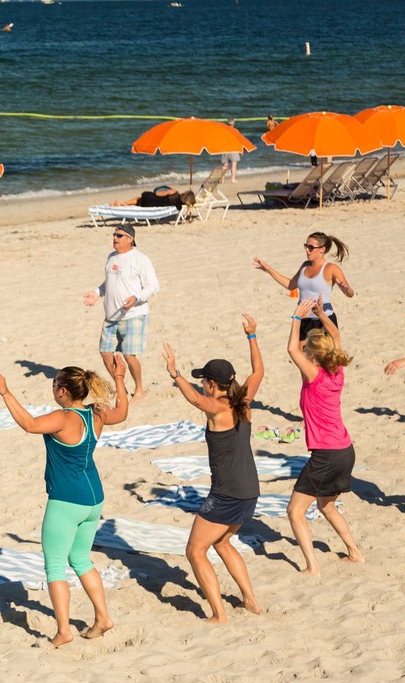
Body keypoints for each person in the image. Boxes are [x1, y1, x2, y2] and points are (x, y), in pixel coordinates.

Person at [0, 360, 129, 646]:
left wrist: (5, 392)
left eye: (54, 385)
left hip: (67, 500)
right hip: (94, 499)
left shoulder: (63, 418)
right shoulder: (96, 413)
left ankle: (64, 630)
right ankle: (103, 617)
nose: (52, 389)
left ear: (63, 391)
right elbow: (123, 413)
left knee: (54, 565)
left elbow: (29, 424)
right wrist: (119, 378)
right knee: (80, 559)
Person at [161, 315, 265, 623]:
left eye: (202, 380)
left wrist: (176, 373)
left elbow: (194, 399)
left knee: (195, 551)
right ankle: (250, 601)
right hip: (250, 491)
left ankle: (219, 614)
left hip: (228, 493)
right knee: (221, 542)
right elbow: (258, 371)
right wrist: (252, 336)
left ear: (211, 384)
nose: (200, 385)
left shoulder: (219, 408)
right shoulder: (243, 401)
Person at [285, 298, 364, 574]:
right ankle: (355, 553)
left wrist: (297, 316)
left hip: (327, 455)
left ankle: (312, 566)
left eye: (307, 349)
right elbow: (337, 335)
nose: (303, 351)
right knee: (327, 506)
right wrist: (320, 314)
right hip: (345, 450)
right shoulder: (336, 370)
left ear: (313, 357)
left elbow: (291, 348)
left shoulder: (314, 375)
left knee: (295, 511)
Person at [83, 225, 159, 399]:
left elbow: (153, 286)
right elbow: (108, 283)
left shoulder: (140, 259)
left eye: (119, 235)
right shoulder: (111, 257)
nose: (115, 238)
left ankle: (139, 389)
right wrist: (96, 294)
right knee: (105, 353)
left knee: (129, 356)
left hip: (134, 315)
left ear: (130, 238)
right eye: (114, 235)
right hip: (111, 316)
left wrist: (136, 298)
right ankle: (121, 388)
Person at [253, 232, 355, 343]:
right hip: (303, 319)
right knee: (300, 357)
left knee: (325, 359)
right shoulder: (304, 265)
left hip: (323, 320)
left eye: (311, 247)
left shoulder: (331, 268)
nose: (307, 250)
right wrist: (268, 269)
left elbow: (350, 294)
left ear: (322, 249)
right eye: (306, 246)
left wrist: (346, 289)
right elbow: (290, 285)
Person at [109, 186, 196, 210]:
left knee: (141, 198)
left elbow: (157, 193)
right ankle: (124, 204)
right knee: (140, 202)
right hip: (151, 206)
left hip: (150, 199)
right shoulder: (179, 206)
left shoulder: (174, 192)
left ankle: (124, 203)